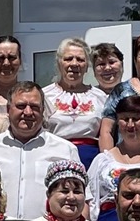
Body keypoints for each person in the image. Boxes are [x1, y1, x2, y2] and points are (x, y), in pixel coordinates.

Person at [0, 82, 80, 221]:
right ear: (8, 109)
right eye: (21, 106)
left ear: (43, 110)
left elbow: (82, 201)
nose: (27, 112)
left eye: (34, 107)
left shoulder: (65, 150)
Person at [88, 94, 140, 221]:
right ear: (117, 121)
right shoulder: (102, 161)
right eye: (124, 119)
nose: (130, 124)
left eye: (136, 119)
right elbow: (90, 201)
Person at [42, 37, 104, 165]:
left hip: (90, 159)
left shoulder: (100, 97)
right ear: (59, 63)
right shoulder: (44, 95)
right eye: (68, 59)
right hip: (54, 157)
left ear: (87, 66)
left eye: (80, 59)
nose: (74, 64)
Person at [0, 36, 24, 128]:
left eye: (11, 57)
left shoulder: (33, 97)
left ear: (20, 60)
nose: (6, 63)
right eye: (1, 58)